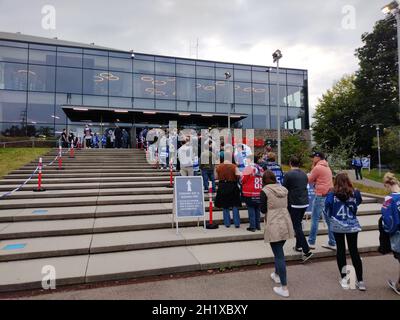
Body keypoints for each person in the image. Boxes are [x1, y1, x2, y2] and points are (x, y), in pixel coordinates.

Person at [325, 172, 366, 291]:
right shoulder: (355, 192)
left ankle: (344, 279)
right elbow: (358, 202)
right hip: (352, 225)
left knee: (341, 251)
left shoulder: (332, 193)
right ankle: (360, 280)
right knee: (354, 251)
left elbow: (327, 206)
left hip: (338, 225)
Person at [260, 170, 295, 298]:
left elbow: (263, 209)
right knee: (278, 250)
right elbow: (289, 205)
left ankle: (284, 287)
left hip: (274, 222)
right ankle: (277, 275)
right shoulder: (284, 189)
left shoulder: (265, 191)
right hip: (285, 221)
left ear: (263, 180)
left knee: (279, 255)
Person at [283, 156, 313, 262]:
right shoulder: (304, 174)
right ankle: (298, 246)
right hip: (304, 203)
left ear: (290, 163)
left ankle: (306, 250)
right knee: (298, 224)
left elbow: (284, 188)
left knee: (296, 227)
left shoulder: (288, 174)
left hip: (294, 203)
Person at [307, 151, 336, 250]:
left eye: (313, 157)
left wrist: (309, 172)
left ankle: (311, 242)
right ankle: (332, 242)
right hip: (328, 195)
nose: (312, 159)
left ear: (317, 157)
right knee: (329, 220)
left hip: (320, 195)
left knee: (315, 219)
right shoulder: (327, 166)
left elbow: (309, 180)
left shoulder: (317, 167)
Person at [381, 172, 400, 295]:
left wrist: (388, 231)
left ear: (388, 184)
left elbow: (387, 219)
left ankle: (399, 286)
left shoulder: (389, 199)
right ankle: (398, 283)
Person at [215, 152, 242, 228]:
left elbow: (216, 177)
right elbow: (238, 176)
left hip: (222, 186)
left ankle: (227, 223)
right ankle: (236, 223)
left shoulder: (219, 167)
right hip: (233, 186)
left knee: (225, 206)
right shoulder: (234, 166)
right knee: (235, 205)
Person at [241, 154, 264, 232]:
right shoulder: (260, 168)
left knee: (251, 208)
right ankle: (258, 225)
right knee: (257, 209)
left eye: (247, 159)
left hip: (249, 192)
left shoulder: (248, 168)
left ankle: (252, 226)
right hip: (259, 191)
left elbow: (242, 180)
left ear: (250, 160)